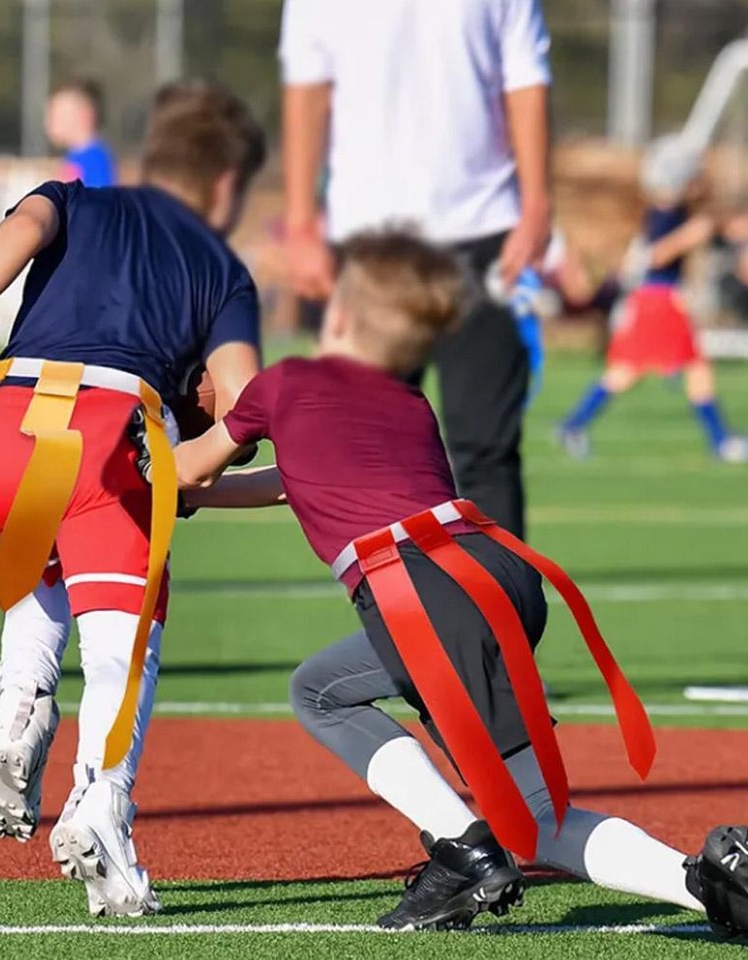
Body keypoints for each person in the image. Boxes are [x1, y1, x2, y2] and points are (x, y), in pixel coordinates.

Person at [172, 230, 748, 935]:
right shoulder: (407, 398)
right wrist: (199, 497)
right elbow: (294, 481)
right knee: (538, 818)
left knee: (318, 694)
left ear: (340, 313)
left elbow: (188, 467)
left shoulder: (283, 381)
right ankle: (713, 882)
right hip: (495, 570)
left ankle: (464, 849)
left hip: (422, 590)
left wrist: (147, 451)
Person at [0, 81, 265, 917]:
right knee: (125, 637)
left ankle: (17, 721)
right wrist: (209, 461)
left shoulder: (76, 197)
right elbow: (244, 407)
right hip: (110, 431)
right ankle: (102, 805)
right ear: (227, 183)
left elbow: (24, 227)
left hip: (3, 425)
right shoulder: (221, 268)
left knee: (46, 563)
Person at [278, 0, 554, 539]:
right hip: (367, 240)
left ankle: (498, 593)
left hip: (485, 230)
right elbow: (307, 90)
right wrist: (301, 223)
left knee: (487, 447)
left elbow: (526, 80)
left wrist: (537, 205)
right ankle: (388, 592)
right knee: (364, 450)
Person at [558, 136, 747, 462]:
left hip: (654, 300)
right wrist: (690, 236)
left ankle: (574, 424)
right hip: (660, 299)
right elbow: (656, 255)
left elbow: (719, 226)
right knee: (690, 368)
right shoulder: (666, 216)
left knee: (630, 371)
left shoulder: (675, 211)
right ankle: (721, 441)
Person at [46, 80, 117, 187]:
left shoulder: (94, 160)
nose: (50, 122)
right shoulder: (74, 157)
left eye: (58, 114)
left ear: (85, 115)